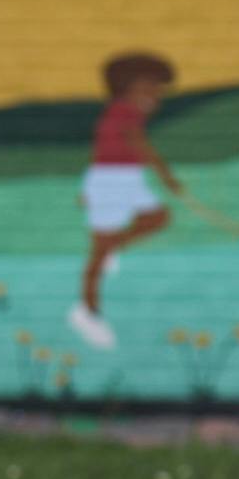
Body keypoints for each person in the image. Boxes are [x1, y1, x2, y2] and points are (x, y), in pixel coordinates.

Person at [68, 50, 180, 350]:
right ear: (126, 89)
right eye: (149, 89)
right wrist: (167, 176)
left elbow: (107, 146)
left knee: (157, 217)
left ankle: (115, 247)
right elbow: (138, 144)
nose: (155, 97)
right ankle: (86, 312)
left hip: (126, 178)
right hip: (111, 181)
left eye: (159, 91)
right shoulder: (124, 112)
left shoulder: (122, 112)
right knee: (98, 252)